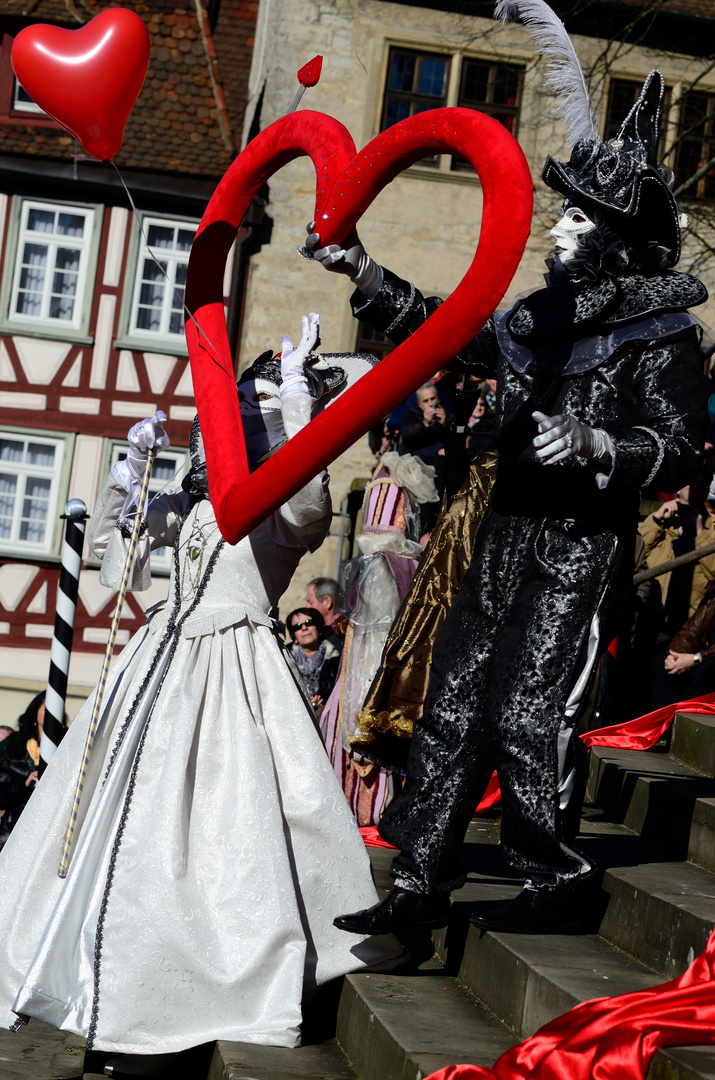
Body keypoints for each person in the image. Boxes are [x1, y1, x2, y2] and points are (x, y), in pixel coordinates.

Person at [302, 25, 708, 934]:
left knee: (530, 706)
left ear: (615, 240)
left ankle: (550, 870)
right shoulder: (537, 318)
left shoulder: (661, 333)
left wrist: (599, 443)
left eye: (577, 219)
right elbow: (451, 331)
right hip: (503, 528)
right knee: (450, 701)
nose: (558, 228)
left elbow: (678, 444)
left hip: (577, 543)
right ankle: (418, 876)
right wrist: (364, 274)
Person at [0, 314, 400, 1076]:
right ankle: (97, 983)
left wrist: (292, 397)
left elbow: (309, 506)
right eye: (239, 404)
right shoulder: (189, 505)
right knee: (118, 828)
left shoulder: (276, 509)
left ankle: (182, 987)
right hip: (153, 665)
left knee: (216, 835)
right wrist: (129, 485)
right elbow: (128, 570)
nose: (239, 417)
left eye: (255, 407)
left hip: (233, 679)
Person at [638, 474, 715, 636]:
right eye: (689, 482)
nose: (693, 487)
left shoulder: (711, 529)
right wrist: (657, 521)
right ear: (680, 487)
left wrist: (700, 533)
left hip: (682, 626)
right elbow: (635, 554)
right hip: (647, 615)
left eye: (700, 483)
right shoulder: (662, 519)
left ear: (707, 489)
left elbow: (713, 571)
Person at [651, 585, 715, 708]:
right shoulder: (713, 596)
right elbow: (690, 631)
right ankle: (663, 721)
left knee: (705, 671)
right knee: (662, 661)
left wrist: (696, 658)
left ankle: (689, 719)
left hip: (707, 657)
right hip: (703, 655)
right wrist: (675, 654)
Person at [0, 693, 47, 849]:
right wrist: (24, 783)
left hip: (46, 831)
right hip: (14, 830)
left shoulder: (66, 744)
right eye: (45, 708)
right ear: (35, 712)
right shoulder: (14, 746)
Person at [286, 606, 340, 716]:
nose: (304, 628)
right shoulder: (285, 659)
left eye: (308, 623)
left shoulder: (335, 659)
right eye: (297, 626)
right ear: (294, 636)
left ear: (318, 629)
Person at [305, 577, 344, 651]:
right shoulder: (316, 632)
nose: (307, 607)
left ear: (327, 601)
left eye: (310, 602)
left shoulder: (345, 634)